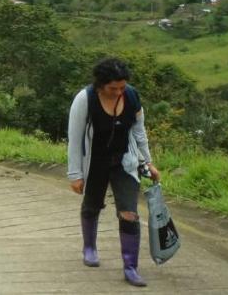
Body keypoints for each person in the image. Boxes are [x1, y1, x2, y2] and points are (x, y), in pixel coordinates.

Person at [67, 57, 160, 287]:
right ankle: (89, 247)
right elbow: (75, 138)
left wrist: (148, 162)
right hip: (94, 161)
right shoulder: (85, 99)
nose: (118, 92)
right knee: (92, 205)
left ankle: (130, 267)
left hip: (124, 161)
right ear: (101, 85)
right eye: (113, 88)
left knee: (129, 212)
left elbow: (139, 132)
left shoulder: (131, 96)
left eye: (122, 87)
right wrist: (75, 174)